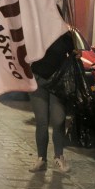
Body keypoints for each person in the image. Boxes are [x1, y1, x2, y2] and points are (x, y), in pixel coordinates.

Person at [28, 30, 74, 173]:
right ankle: (41, 159)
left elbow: (72, 53)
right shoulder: (35, 31)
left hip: (58, 82)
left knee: (58, 120)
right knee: (41, 121)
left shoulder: (65, 36)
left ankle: (59, 157)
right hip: (37, 79)